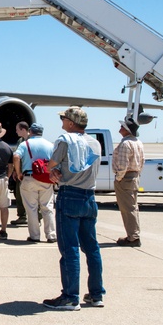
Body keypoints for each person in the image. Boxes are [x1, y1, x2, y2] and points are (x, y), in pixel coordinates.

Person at [43, 106, 104, 310]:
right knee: (92, 248)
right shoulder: (95, 143)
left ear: (70, 123)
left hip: (70, 195)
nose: (61, 122)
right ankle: (96, 294)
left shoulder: (65, 140)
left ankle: (70, 296)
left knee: (69, 249)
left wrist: (54, 170)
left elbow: (52, 164)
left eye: (63, 119)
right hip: (90, 197)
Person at [12, 122, 57, 243]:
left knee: (31, 208)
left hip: (29, 177)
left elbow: (16, 157)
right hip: (46, 179)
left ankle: (35, 236)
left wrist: (18, 172)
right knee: (47, 207)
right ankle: (51, 235)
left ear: (30, 132)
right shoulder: (50, 145)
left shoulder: (24, 144)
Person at [113, 116, 145, 247]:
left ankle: (133, 237)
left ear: (127, 130)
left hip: (125, 178)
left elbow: (122, 164)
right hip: (134, 176)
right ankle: (133, 234)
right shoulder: (138, 142)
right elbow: (142, 161)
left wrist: (119, 178)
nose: (120, 128)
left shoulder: (126, 144)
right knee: (132, 207)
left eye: (122, 127)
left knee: (127, 209)